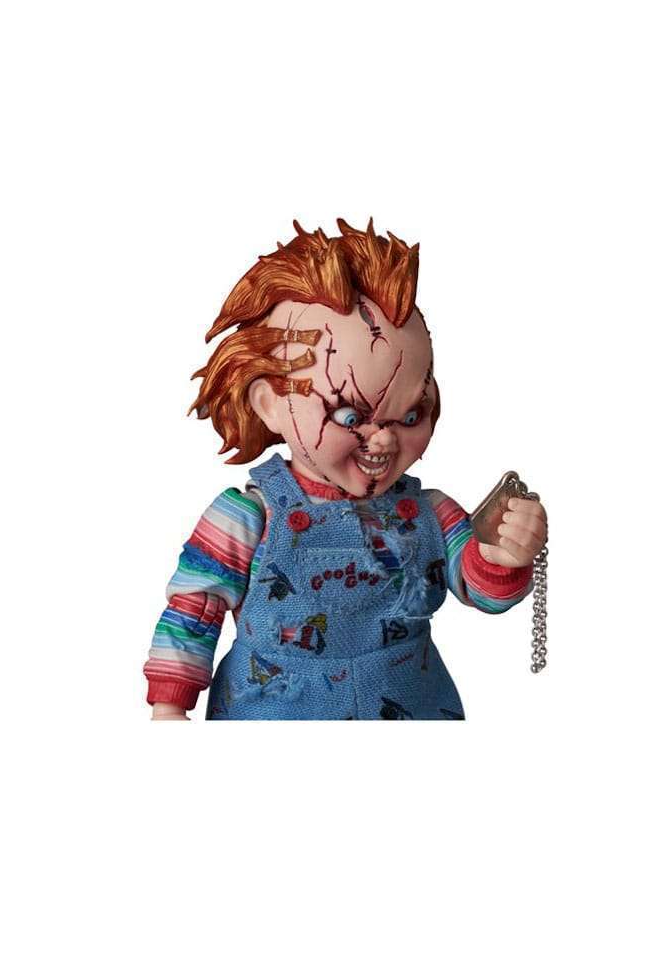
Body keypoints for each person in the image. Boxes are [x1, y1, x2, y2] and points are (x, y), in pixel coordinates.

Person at [144, 219, 547, 720]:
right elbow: (195, 610)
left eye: (410, 416)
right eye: (350, 416)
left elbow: (482, 593)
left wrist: (500, 553)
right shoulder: (247, 517)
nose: (384, 439)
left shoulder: (433, 514)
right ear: (269, 405)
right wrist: (169, 706)